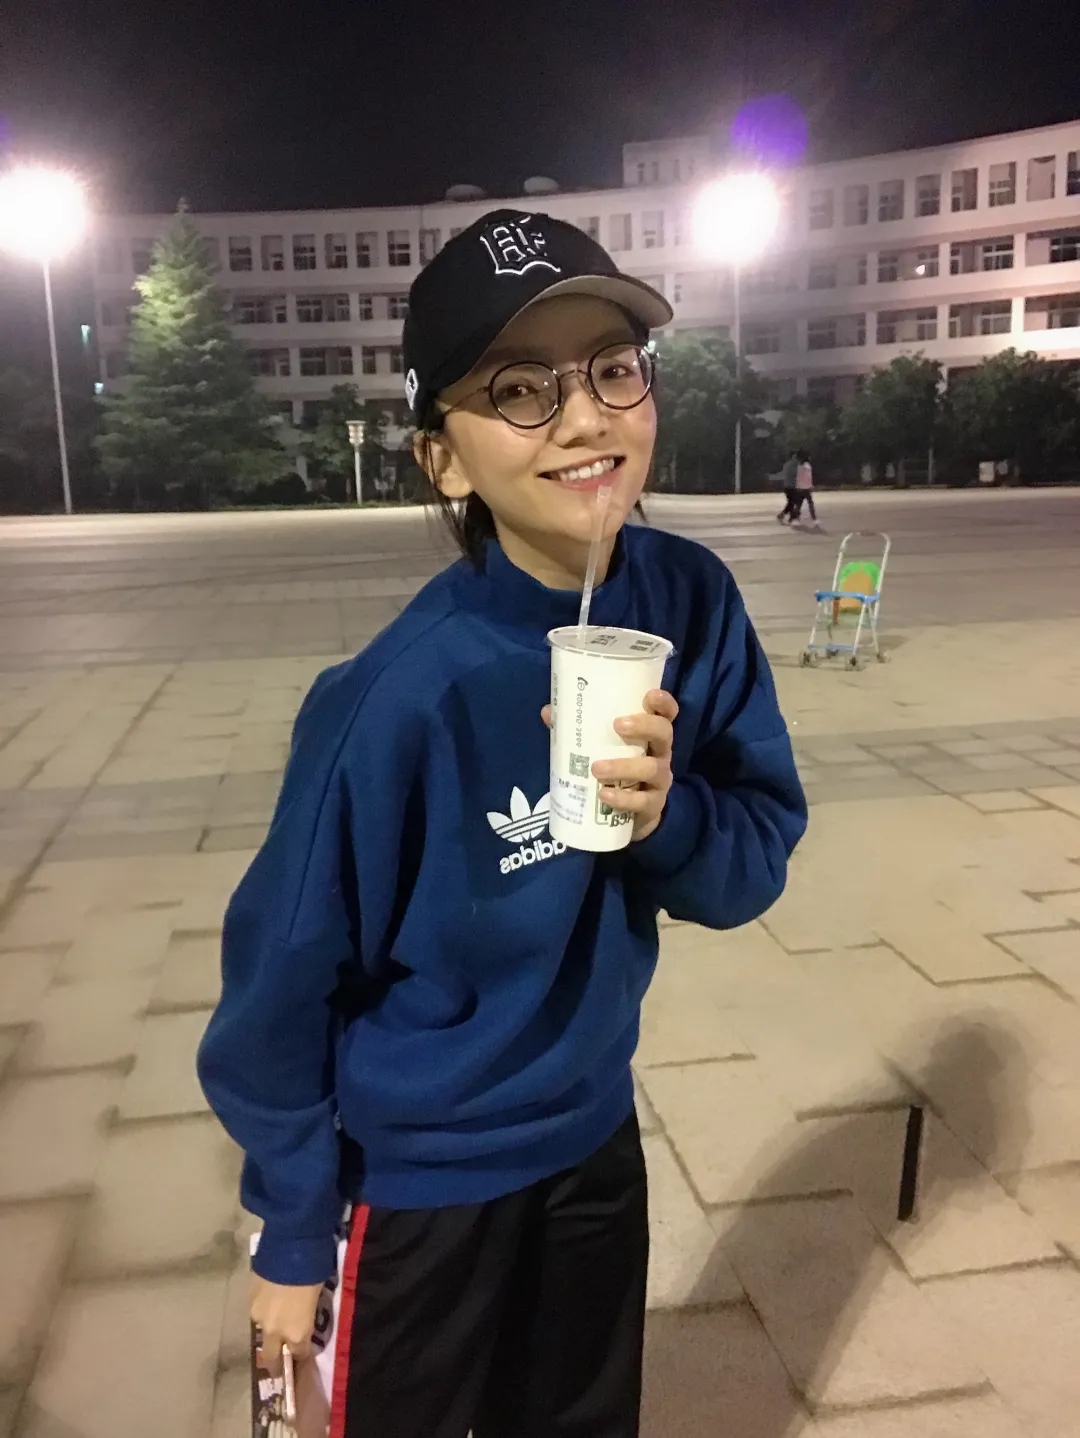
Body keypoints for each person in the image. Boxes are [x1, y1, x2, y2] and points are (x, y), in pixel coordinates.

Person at [198, 209, 808, 1438]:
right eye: (521, 389)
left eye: (612, 368)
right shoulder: (392, 697)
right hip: (419, 1179)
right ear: (445, 460)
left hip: (591, 1135)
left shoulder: (690, 600)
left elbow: (751, 859)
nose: (584, 419)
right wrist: (294, 1223)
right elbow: (278, 984)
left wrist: (666, 819)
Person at [791, 449, 818, 525]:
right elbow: (808, 477)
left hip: (800, 487)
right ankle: (814, 518)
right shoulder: (807, 466)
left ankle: (796, 519)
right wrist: (810, 485)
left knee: (799, 504)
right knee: (810, 503)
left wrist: (797, 486)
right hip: (805, 488)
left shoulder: (800, 465)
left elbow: (799, 477)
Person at [776, 449, 799, 523]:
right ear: (792, 457)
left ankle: (791, 516)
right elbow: (794, 474)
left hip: (789, 486)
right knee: (792, 502)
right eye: (795, 457)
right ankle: (785, 515)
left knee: (792, 502)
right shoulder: (792, 465)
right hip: (790, 487)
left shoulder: (789, 465)